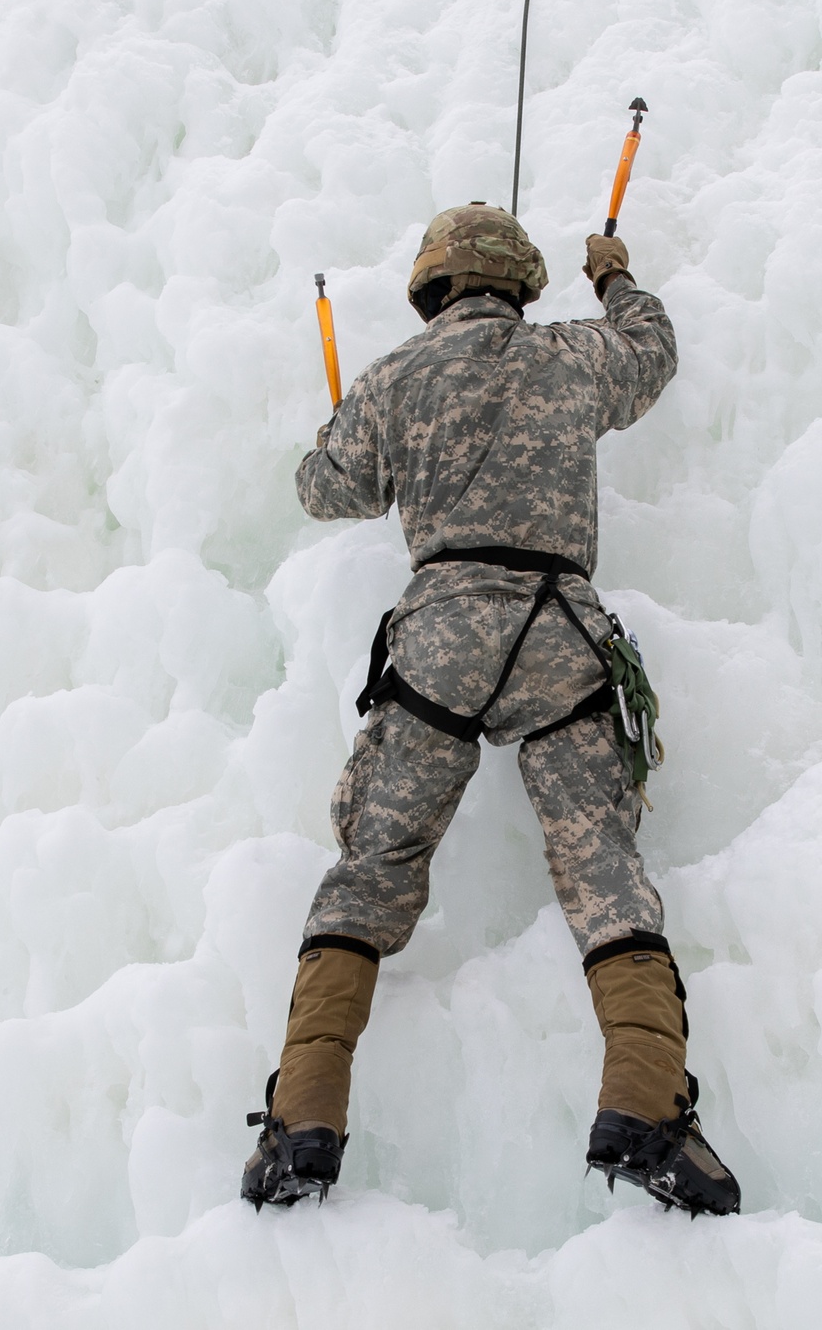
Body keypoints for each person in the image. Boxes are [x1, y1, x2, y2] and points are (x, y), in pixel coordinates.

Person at [241, 205, 740, 1217]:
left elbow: (324, 487)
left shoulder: (393, 377)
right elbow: (652, 349)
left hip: (438, 637)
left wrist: (339, 427)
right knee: (601, 865)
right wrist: (612, 278)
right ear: (518, 282)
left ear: (431, 287)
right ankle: (645, 1104)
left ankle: (304, 1120)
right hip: (561, 631)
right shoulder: (571, 356)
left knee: (371, 870)